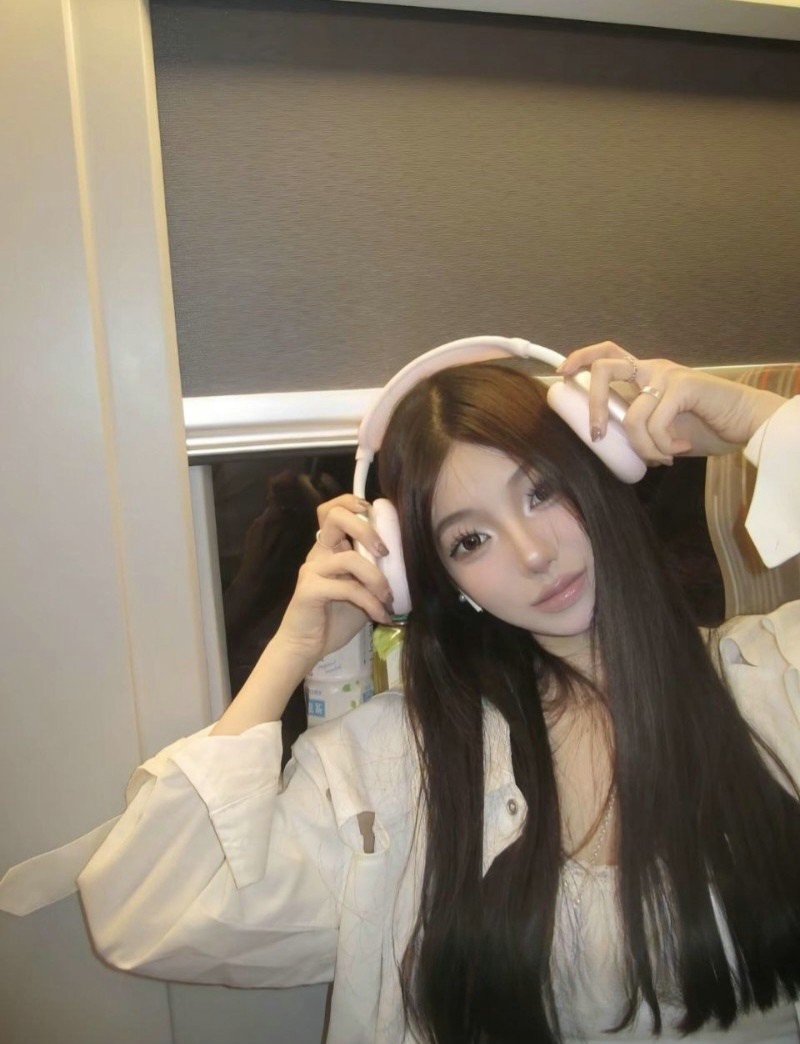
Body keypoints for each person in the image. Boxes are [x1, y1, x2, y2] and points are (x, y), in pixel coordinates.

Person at [76, 342, 800, 1044]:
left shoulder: (772, 677)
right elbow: (146, 913)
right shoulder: (401, 769)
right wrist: (291, 651)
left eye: (541, 491)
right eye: (469, 541)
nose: (533, 554)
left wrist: (758, 423)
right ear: (442, 582)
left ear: (603, 467)